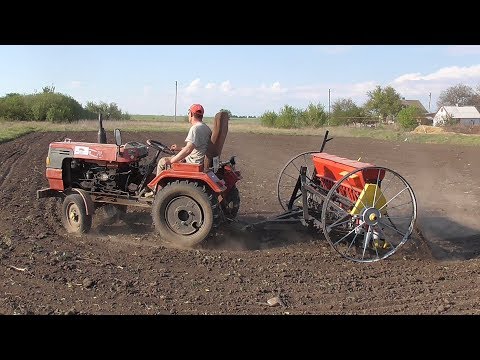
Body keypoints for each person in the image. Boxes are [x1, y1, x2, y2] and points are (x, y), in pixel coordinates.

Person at [156, 103, 212, 175]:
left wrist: (172, 161)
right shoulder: (206, 128)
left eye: (188, 113)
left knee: (162, 162)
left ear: (191, 114)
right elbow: (196, 147)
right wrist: (179, 148)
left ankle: (156, 186)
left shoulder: (195, 128)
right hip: (197, 160)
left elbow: (188, 149)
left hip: (192, 163)